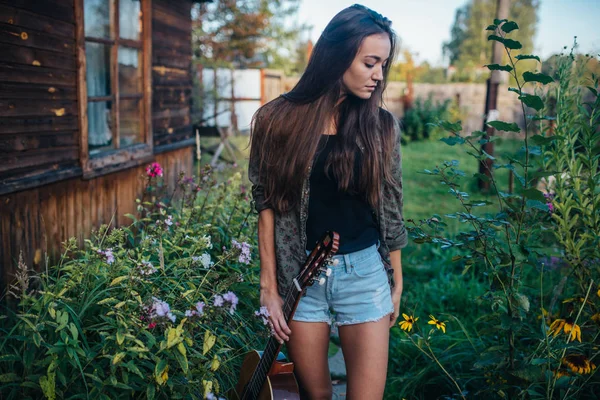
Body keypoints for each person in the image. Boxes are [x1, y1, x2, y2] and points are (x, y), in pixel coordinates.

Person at [248, 4, 407, 399]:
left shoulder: (380, 126)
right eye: (370, 62)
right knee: (315, 395)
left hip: (365, 272)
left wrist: (396, 279)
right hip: (301, 277)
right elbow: (265, 202)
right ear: (338, 56)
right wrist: (269, 287)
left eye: (383, 64)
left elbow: (391, 206)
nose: (379, 75)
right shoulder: (277, 120)